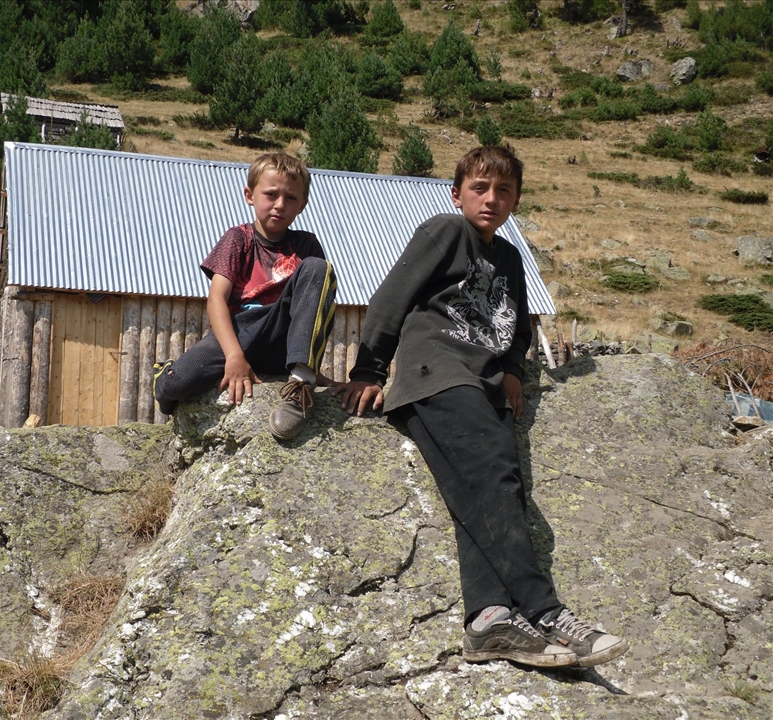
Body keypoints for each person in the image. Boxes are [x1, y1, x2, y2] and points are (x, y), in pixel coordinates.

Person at [334, 145, 628, 669]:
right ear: (457, 193)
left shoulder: (512, 258)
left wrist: (514, 370)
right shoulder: (445, 232)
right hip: (437, 377)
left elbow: (519, 326)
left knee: (483, 495)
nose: (491, 199)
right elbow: (390, 298)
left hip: (485, 388)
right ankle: (545, 611)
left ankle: (489, 620)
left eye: (504, 190)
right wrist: (369, 371)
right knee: (498, 478)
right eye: (479, 188)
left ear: (516, 200)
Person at [153, 152, 337, 441]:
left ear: (303, 204)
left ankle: (301, 380)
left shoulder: (306, 244)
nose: (280, 205)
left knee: (318, 269)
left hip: (281, 335)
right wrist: (234, 356)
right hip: (241, 331)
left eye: (291, 198)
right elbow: (216, 299)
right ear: (250, 195)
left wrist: (311, 367)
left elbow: (314, 307)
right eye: (271, 194)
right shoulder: (238, 238)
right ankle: (163, 374)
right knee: (177, 384)